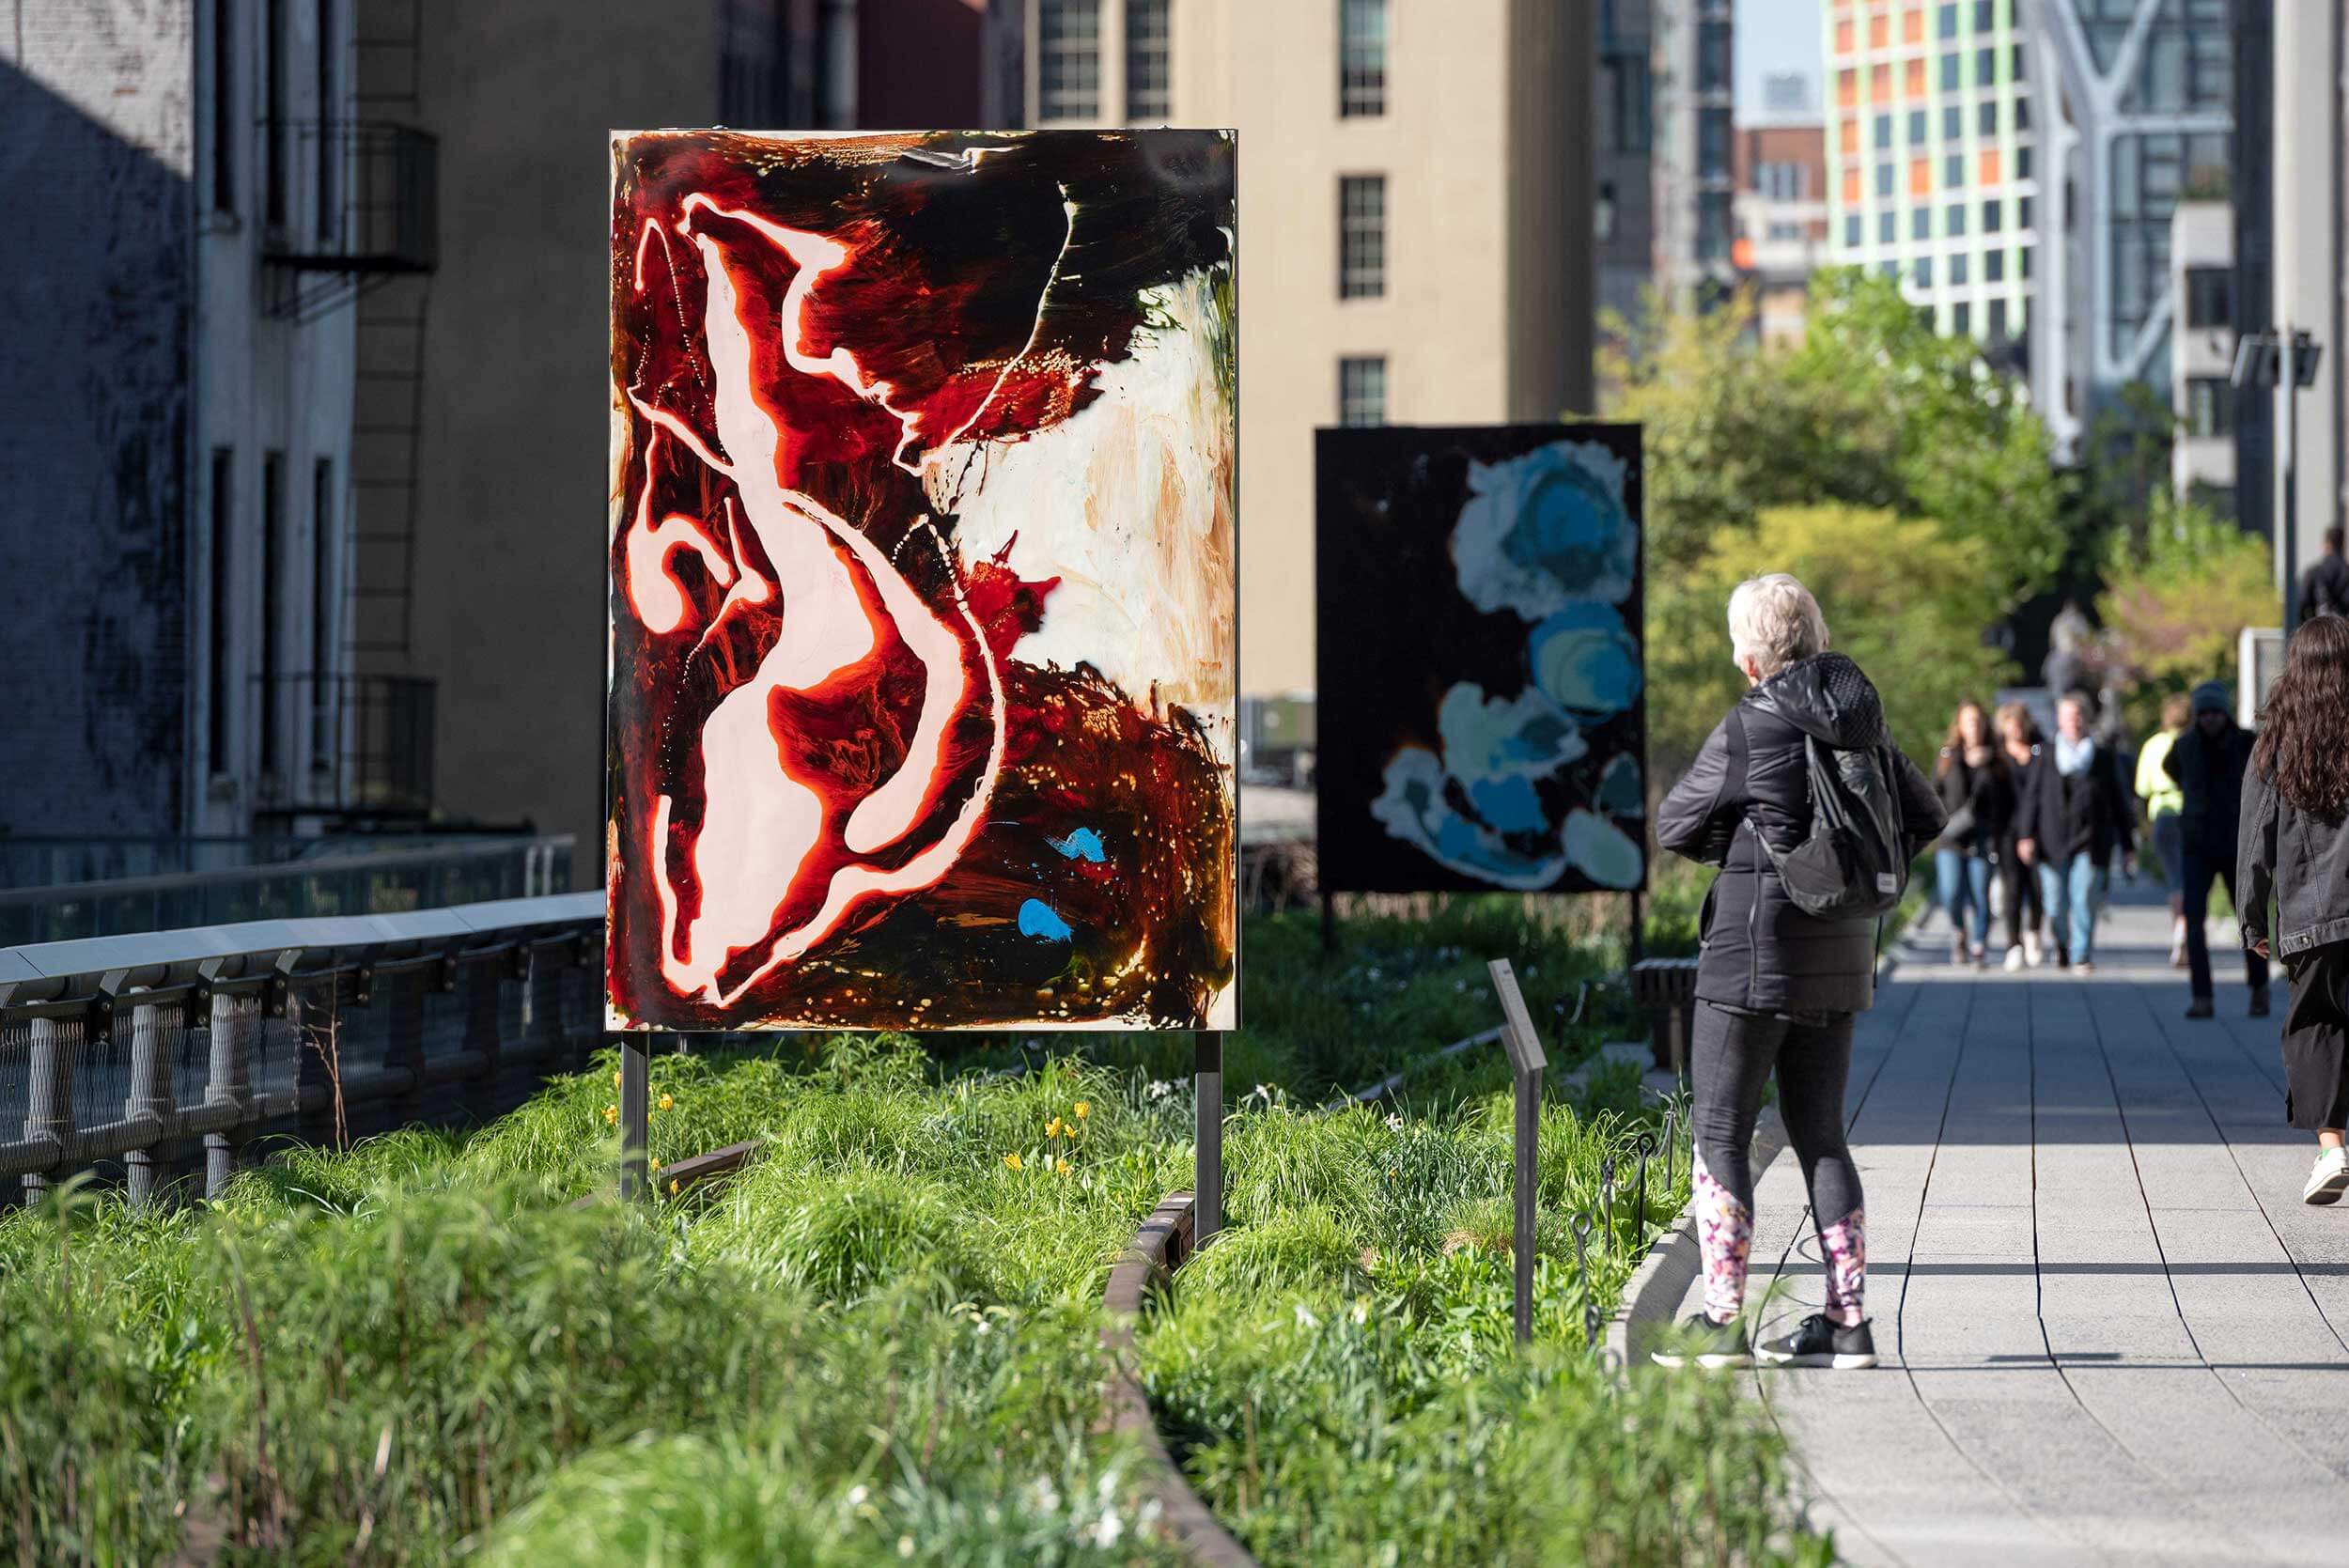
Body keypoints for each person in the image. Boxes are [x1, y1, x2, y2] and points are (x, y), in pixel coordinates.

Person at [1653, 574, 1943, 1371]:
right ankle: (1848, 1324)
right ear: (1815, 636)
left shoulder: (1753, 721)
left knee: (1720, 1131)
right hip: (1842, 959)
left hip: (1752, 957)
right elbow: (1927, 813)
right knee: (1822, 1135)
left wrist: (1750, 843)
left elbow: (1674, 820)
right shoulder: (1862, 717)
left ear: (1752, 656)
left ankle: (1722, 1323)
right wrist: (1841, 877)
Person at [2237, 616, 2349, 1204]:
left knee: (2315, 1026)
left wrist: (2252, 918)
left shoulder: (2277, 743)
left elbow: (2255, 837)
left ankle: (2331, 1149)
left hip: (2310, 916)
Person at [2166, 681, 2267, 1019]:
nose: (2209, 718)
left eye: (2215, 712)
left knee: (2248, 918)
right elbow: (2171, 769)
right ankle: (2202, 996)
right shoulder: (2185, 746)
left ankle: (2258, 988)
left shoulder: (2245, 744)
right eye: (2203, 712)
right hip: (2197, 840)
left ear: (2224, 712)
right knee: (2194, 920)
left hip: (2237, 839)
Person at [2017, 691, 2134, 973]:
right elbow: (2031, 797)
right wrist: (2025, 835)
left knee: (2085, 896)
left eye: (2078, 715)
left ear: (2086, 718)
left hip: (2091, 840)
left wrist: (2128, 844)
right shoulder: (2045, 754)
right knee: (2055, 903)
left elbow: (2119, 800)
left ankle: (2081, 953)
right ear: (2058, 720)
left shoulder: (2102, 756)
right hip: (2051, 839)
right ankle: (2062, 943)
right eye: (2068, 716)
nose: (2074, 721)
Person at [1933, 701, 2010, 966]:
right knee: (1950, 893)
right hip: (1951, 838)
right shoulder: (1946, 756)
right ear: (1959, 726)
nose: (1974, 727)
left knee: (1981, 894)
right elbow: (1933, 793)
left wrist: (1987, 766)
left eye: (1978, 721)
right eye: (1968, 721)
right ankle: (1959, 930)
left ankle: (1978, 945)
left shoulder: (1997, 759)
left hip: (1982, 837)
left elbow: (2006, 801)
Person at [2138, 693, 2192, 967]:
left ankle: (2179, 931)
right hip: (2191, 812)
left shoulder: (2153, 745)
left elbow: (2142, 787)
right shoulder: (2194, 743)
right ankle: (2188, 932)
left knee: (2175, 879)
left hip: (2163, 812)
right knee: (2191, 877)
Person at [1994, 700, 2050, 970]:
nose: (2015, 729)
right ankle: (2013, 943)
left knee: (2038, 888)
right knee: (2013, 888)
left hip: (2039, 829)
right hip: (2007, 830)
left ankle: (2034, 933)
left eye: (2019, 723)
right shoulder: (1997, 754)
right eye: (2010, 724)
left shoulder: (2041, 750)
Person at [2296, 525, 2349, 623]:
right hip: (2345, 631)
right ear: (2343, 543)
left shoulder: (2314, 572)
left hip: (2320, 632)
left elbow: (2302, 606)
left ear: (2326, 544)